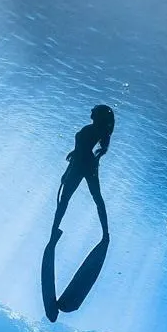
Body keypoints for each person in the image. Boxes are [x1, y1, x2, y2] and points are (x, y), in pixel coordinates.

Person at [51, 104, 114, 242]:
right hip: (87, 165)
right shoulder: (94, 130)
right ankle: (106, 233)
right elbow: (81, 148)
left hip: (80, 166)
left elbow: (81, 150)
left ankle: (54, 230)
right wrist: (73, 159)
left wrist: (68, 171)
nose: (91, 110)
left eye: (95, 111)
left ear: (98, 116)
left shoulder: (90, 130)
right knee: (96, 198)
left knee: (65, 199)